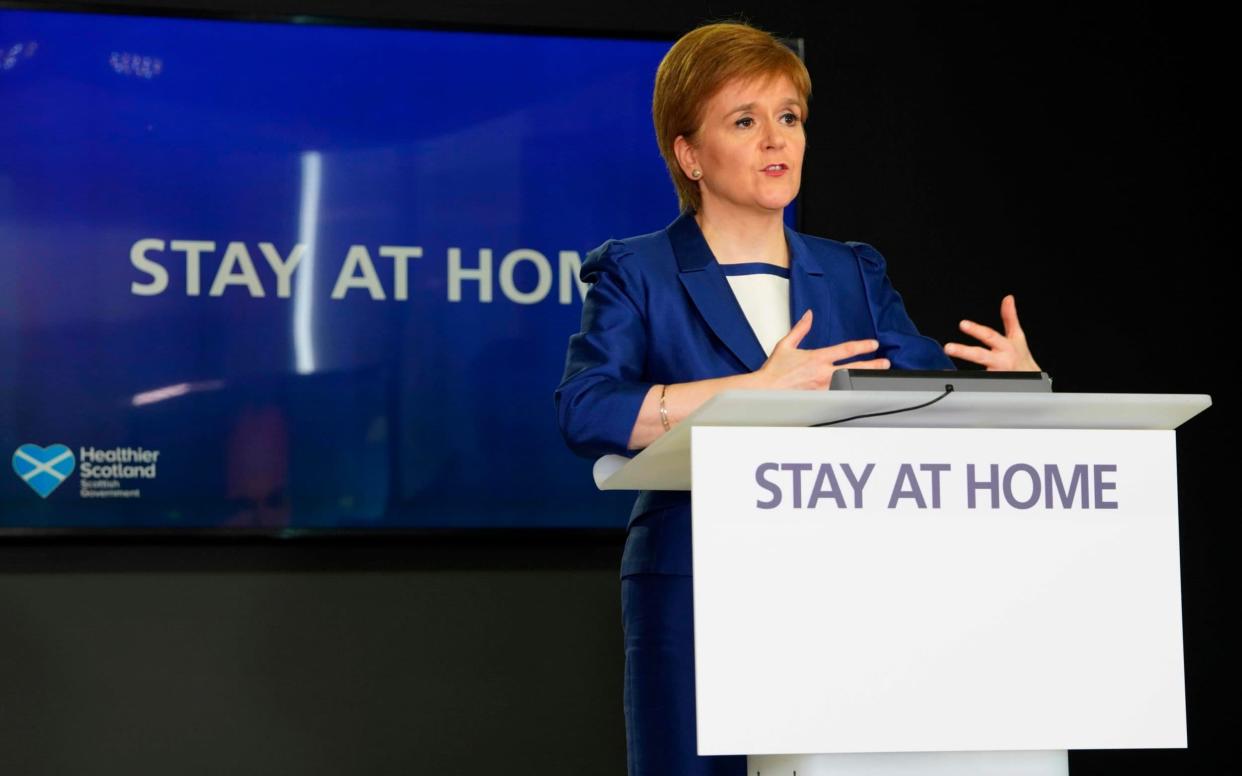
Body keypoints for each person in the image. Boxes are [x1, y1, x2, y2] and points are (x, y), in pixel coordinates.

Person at [554, 21, 1039, 776]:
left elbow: (924, 400)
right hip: (692, 584)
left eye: (789, 117)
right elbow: (587, 411)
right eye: (744, 121)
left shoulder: (851, 272)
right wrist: (749, 392)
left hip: (841, 583)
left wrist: (1014, 390)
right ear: (689, 154)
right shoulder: (636, 272)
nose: (776, 139)